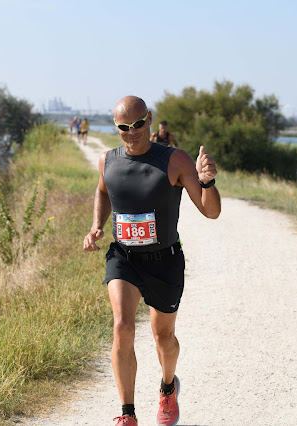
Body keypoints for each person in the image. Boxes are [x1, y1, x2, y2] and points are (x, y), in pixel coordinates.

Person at [83, 96, 221, 426]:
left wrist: (208, 182)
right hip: (124, 258)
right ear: (116, 127)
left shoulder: (174, 160)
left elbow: (211, 211)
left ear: (149, 119)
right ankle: (127, 414)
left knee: (163, 338)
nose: (132, 132)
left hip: (164, 261)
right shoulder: (107, 161)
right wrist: (96, 226)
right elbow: (103, 191)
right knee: (122, 326)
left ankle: (168, 386)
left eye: (138, 124)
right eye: (123, 127)